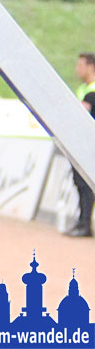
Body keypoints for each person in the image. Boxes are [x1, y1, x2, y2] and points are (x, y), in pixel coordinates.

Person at [67, 52, 95, 237]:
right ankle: (82, 221)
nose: (77, 69)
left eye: (80, 65)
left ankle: (85, 223)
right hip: (82, 143)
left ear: (90, 67)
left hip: (89, 144)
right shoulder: (84, 89)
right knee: (79, 181)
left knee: (85, 183)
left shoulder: (92, 91)